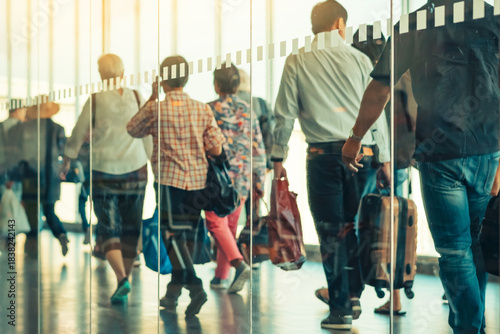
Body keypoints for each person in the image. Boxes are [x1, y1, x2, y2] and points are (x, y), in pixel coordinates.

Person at [341, 1, 500, 333]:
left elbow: (381, 88)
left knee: (456, 252)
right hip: (488, 149)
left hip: (440, 151)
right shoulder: (492, 16)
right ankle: (471, 325)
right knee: (474, 246)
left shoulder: (415, 23)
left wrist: (356, 136)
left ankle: (470, 328)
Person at [271, 1, 389, 330]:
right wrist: (386, 157)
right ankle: (351, 295)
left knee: (330, 231)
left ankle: (340, 308)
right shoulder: (359, 59)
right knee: (349, 225)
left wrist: (277, 158)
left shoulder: (297, 59)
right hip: (361, 154)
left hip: (322, 157)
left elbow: (284, 112)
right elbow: (375, 112)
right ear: (340, 23)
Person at [127, 55, 225, 317]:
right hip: (197, 184)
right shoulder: (202, 109)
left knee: (171, 236)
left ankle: (194, 288)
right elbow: (216, 148)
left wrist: (152, 96)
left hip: (169, 182)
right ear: (187, 78)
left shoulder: (155, 108)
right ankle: (173, 292)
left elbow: (132, 129)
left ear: (163, 79)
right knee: (186, 237)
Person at [62, 54, 152, 304]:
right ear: (122, 72)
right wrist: (153, 161)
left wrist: (68, 157)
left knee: (108, 226)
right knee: (132, 227)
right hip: (136, 171)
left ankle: (121, 278)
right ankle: (127, 280)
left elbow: (79, 132)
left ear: (100, 74)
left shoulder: (95, 100)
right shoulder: (136, 97)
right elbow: (147, 134)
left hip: (103, 171)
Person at [206, 64, 266, 293]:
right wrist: (258, 181)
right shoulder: (247, 109)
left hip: (217, 179)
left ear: (216, 84)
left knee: (215, 222)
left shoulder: (209, 109)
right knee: (228, 226)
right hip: (242, 178)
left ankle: (239, 266)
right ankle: (221, 276)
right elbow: (258, 147)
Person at [8, 101, 69, 256]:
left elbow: (17, 155)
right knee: (49, 210)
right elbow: (64, 153)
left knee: (31, 210)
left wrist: (13, 176)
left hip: (31, 176)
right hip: (51, 177)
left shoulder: (24, 129)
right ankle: (60, 234)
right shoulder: (58, 129)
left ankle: (32, 245)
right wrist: (63, 169)